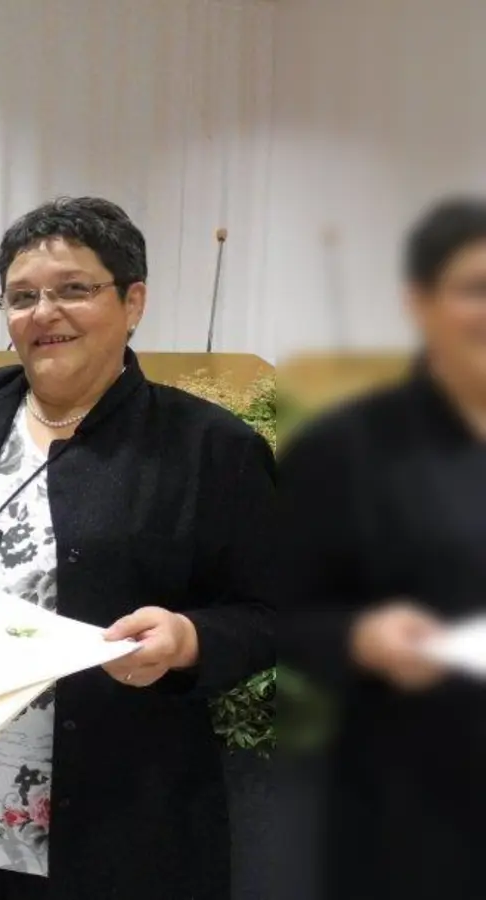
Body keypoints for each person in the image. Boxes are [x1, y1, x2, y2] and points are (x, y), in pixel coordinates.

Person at [0, 197, 276, 899]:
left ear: (133, 301)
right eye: (22, 297)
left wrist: (189, 637)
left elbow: (271, 609)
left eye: (74, 289)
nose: (44, 313)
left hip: (122, 820)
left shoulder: (211, 448)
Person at [277, 196, 486, 899]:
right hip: (414, 806)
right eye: (476, 289)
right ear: (420, 303)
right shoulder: (347, 448)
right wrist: (359, 637)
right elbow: (276, 603)